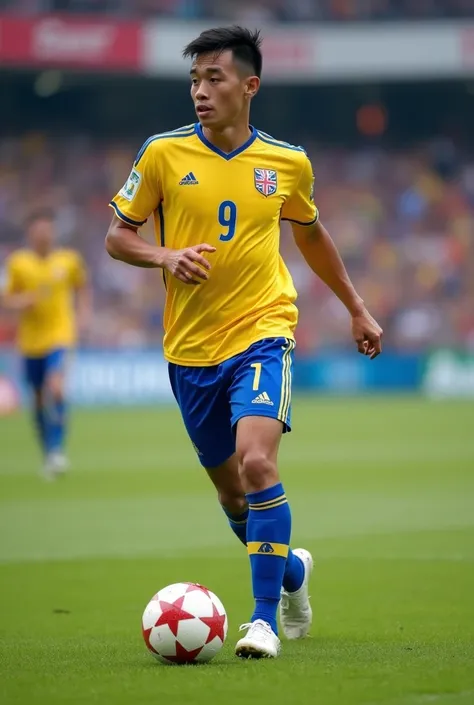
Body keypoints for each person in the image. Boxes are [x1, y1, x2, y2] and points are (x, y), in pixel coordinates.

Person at [106, 26, 383, 659]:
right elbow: (117, 236)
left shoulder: (287, 163)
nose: (201, 92)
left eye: (214, 79)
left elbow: (311, 235)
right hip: (190, 351)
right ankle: (292, 573)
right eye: (194, 81)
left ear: (249, 86)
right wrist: (165, 255)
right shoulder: (162, 155)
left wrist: (357, 308)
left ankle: (261, 620)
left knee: (259, 465)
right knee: (233, 494)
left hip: (263, 332)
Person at [2, 209, 90, 479]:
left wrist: (84, 314)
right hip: (30, 342)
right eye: (38, 229)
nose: (43, 234)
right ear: (30, 233)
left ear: (53, 231)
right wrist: (22, 301)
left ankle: (57, 451)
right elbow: (6, 298)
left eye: (47, 229)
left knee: (57, 387)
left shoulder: (69, 260)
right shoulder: (18, 263)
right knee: (38, 399)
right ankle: (48, 450)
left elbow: (82, 287)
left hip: (60, 336)